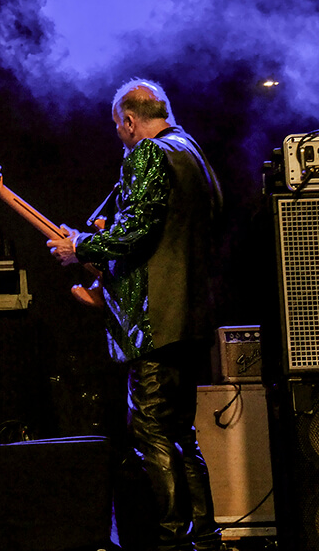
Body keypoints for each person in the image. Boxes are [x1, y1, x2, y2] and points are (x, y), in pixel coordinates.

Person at [47, 79, 224, 551]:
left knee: (151, 433)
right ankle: (205, 538)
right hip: (192, 319)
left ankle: (172, 541)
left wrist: (81, 246)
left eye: (117, 127)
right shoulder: (194, 153)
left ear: (128, 121)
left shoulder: (148, 153)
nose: (119, 136)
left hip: (156, 323)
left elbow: (136, 233)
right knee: (181, 434)